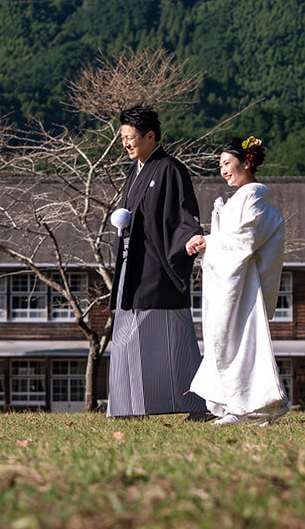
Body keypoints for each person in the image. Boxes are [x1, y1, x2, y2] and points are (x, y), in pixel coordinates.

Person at [107, 104, 207, 417]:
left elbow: (183, 214)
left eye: (130, 137)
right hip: (132, 264)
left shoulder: (170, 169)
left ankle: (193, 402)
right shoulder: (134, 171)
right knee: (127, 338)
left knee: (170, 339)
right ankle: (130, 405)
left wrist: (189, 238)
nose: (125, 143)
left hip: (158, 267)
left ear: (150, 136)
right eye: (122, 137)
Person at [186, 136, 288, 425]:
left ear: (246, 163)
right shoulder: (239, 198)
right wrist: (205, 240)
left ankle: (249, 408)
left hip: (243, 285)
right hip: (228, 282)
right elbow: (229, 239)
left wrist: (208, 241)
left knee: (238, 341)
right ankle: (232, 404)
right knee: (222, 340)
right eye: (220, 165)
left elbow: (246, 241)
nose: (223, 170)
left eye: (228, 163)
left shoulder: (254, 196)